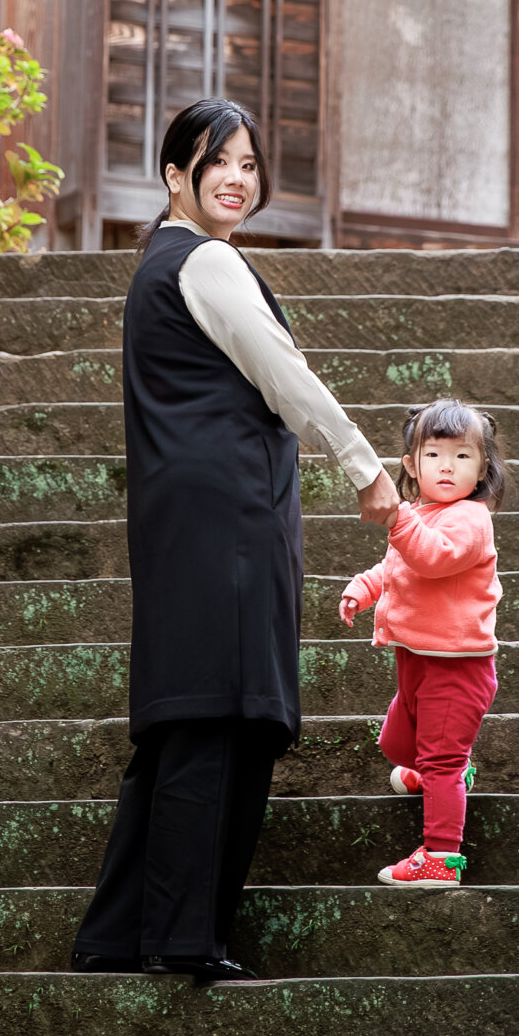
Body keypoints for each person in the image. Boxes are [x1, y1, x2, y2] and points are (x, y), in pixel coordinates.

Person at [71, 98, 398, 981]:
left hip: (191, 524)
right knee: (225, 714)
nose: (238, 179)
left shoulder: (161, 266)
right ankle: (184, 937)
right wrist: (364, 464)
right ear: (176, 175)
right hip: (227, 525)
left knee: (187, 719)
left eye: (250, 164)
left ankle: (119, 931)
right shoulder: (207, 261)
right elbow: (281, 371)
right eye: (219, 161)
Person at [338, 397, 506, 888]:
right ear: (411, 466)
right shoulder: (419, 513)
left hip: (457, 668)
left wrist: (398, 521)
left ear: (482, 469)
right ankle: (445, 774)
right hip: (416, 659)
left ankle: (440, 857)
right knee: (397, 743)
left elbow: (433, 558)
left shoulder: (470, 520)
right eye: (434, 455)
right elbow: (398, 567)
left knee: (440, 760)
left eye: (462, 456)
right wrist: (365, 588)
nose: (447, 467)